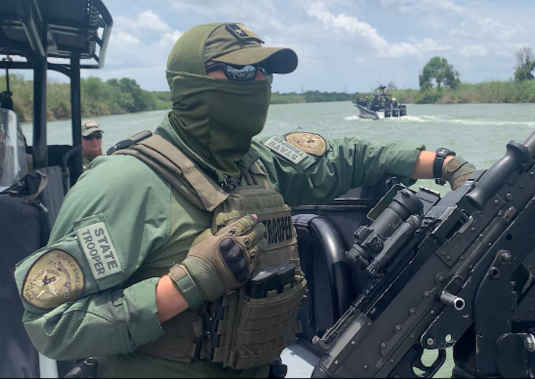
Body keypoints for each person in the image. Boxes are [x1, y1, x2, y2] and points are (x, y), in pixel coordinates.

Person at [14, 22, 475, 378]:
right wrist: (186, 285)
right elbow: (52, 326)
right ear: (192, 83)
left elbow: (346, 159)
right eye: (240, 71)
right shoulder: (124, 184)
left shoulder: (253, 166)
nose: (258, 82)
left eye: (264, 71)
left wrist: (442, 165)